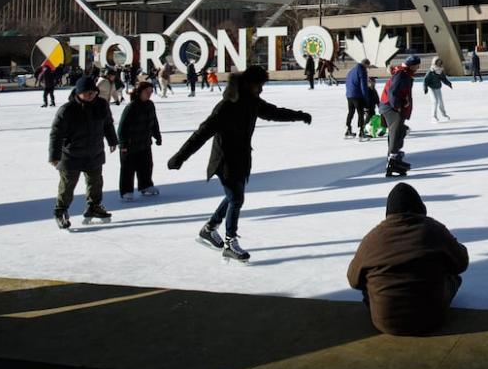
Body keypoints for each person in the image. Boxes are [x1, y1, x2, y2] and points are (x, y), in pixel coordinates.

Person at [167, 66, 312, 262]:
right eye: (259, 85)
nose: (261, 89)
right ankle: (229, 242)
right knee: (236, 198)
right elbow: (202, 133)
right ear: (249, 83)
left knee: (232, 197)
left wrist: (299, 115)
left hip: (242, 158)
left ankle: (209, 229)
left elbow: (273, 112)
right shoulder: (226, 106)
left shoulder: (252, 102)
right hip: (224, 160)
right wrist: (180, 157)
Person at [347, 183, 469, 336]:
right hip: (432, 318)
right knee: (453, 279)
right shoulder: (433, 229)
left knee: (369, 286)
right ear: (420, 208)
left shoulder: (372, 238)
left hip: (386, 322)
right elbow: (461, 263)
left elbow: (354, 280)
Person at [49, 76, 118, 228]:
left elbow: (107, 123)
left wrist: (112, 140)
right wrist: (54, 155)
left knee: (96, 183)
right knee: (67, 186)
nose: (91, 95)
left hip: (94, 152)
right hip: (71, 155)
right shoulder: (67, 109)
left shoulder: (101, 105)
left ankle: (93, 207)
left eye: (93, 92)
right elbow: (56, 133)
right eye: (87, 93)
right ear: (78, 93)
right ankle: (61, 211)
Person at [117, 81, 162, 201]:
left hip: (144, 142)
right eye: (147, 92)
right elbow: (122, 128)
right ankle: (126, 191)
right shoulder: (131, 107)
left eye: (151, 92)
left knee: (146, 166)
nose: (149, 94)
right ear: (139, 92)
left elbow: (154, 122)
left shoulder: (150, 105)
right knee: (128, 169)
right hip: (130, 144)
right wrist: (123, 144)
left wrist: (157, 135)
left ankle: (146, 186)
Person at [377, 55, 421, 178]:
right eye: (417, 65)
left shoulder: (403, 73)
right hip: (391, 108)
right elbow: (393, 91)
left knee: (399, 131)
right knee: (396, 132)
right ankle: (393, 159)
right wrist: (397, 106)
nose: (418, 68)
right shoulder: (402, 74)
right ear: (412, 65)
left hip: (390, 107)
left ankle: (394, 157)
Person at [345, 59, 372, 137]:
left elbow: (347, 83)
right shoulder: (362, 71)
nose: (367, 68)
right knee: (361, 113)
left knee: (351, 112)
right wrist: (366, 98)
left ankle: (348, 129)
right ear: (365, 64)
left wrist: (349, 93)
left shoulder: (352, 70)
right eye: (367, 66)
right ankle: (361, 132)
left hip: (349, 95)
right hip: (357, 95)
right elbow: (363, 86)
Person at [422, 57, 453, 121]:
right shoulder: (431, 71)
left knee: (440, 101)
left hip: (438, 87)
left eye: (440, 62)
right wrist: (425, 88)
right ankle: (434, 116)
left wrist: (448, 83)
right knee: (435, 101)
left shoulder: (440, 71)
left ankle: (444, 114)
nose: (439, 64)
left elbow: (443, 79)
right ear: (434, 63)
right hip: (431, 88)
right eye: (437, 62)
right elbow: (425, 80)